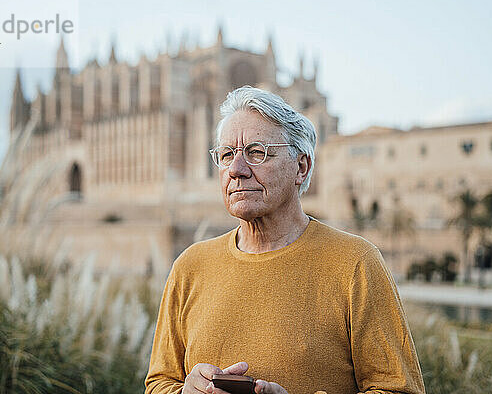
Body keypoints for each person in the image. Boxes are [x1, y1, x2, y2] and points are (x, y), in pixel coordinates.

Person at [144, 86, 425, 394]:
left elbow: (399, 389)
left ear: (301, 167)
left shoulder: (356, 262)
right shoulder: (190, 266)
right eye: (226, 155)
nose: (236, 170)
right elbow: (159, 383)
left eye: (256, 153)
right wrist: (184, 392)